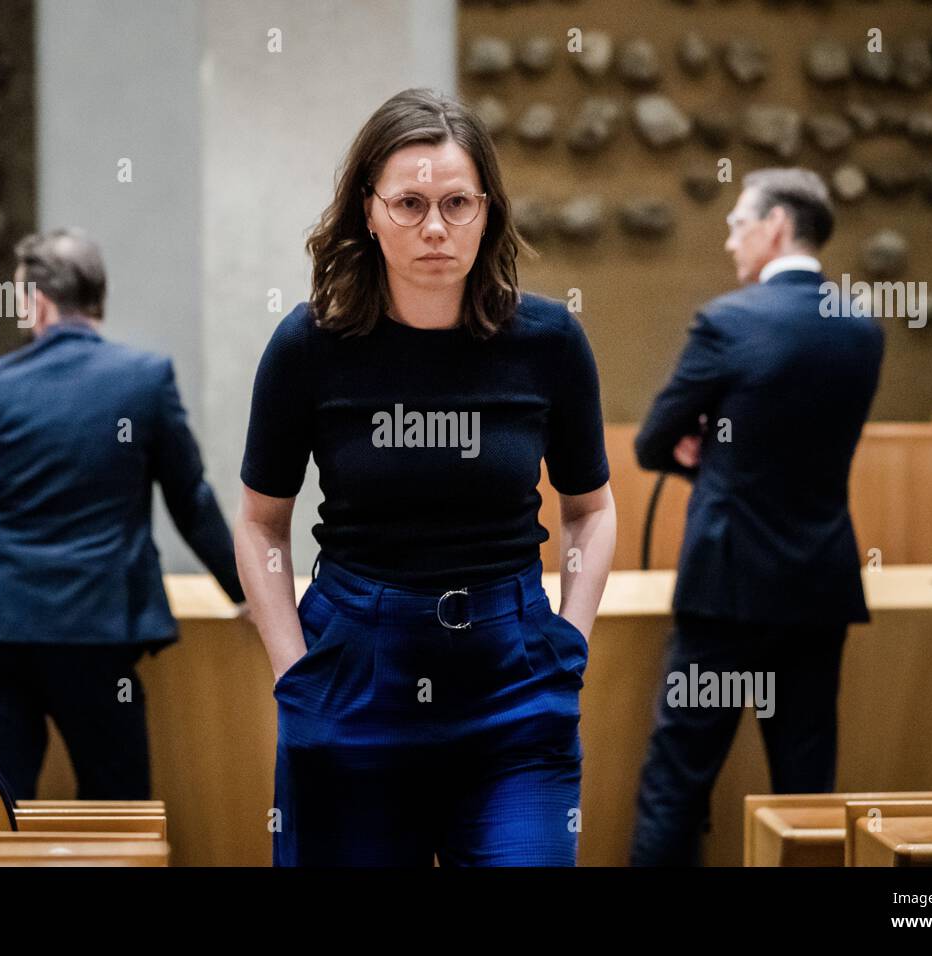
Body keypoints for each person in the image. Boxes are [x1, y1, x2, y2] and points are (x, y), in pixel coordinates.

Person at [236, 88, 616, 866]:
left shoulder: (548, 340)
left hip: (513, 676)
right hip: (352, 677)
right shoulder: (309, 345)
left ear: (488, 212)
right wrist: (292, 674)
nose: (435, 227)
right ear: (368, 212)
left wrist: (569, 641)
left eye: (456, 202)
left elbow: (590, 510)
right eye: (409, 203)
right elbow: (259, 522)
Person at [0, 227, 248, 801]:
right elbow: (190, 500)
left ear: (38, 302)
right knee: (116, 808)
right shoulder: (144, 380)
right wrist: (247, 594)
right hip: (96, 633)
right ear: (98, 297)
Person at [630, 168, 885, 866]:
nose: (729, 238)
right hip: (819, 587)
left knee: (678, 780)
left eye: (739, 222)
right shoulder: (862, 331)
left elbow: (653, 440)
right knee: (807, 789)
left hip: (727, 591)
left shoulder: (729, 321)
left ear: (775, 226)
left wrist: (711, 451)